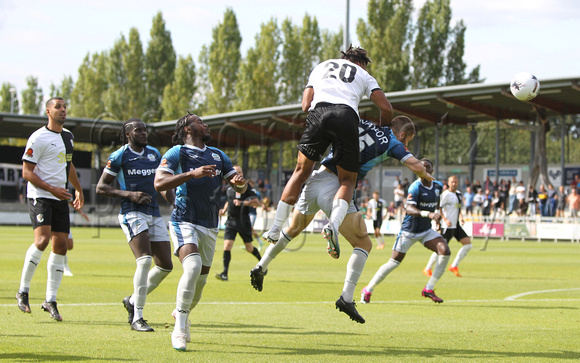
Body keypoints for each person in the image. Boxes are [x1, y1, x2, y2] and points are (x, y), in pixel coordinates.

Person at [249, 116, 432, 324]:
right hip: (338, 189)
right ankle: (346, 297)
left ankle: (261, 266)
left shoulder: (362, 122)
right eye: (407, 140)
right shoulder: (393, 142)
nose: (405, 144)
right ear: (401, 135)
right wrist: (426, 175)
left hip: (317, 179)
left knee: (292, 229)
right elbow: (415, 165)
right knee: (363, 243)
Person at [261, 45, 394, 261]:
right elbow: (386, 108)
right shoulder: (363, 74)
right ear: (361, 62)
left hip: (318, 113)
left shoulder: (321, 66)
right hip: (345, 115)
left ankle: (275, 228)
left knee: (300, 171)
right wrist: (383, 129)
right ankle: (333, 225)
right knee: (347, 180)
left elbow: (306, 104)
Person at [154, 112, 247, 351]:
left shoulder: (218, 155)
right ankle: (180, 329)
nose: (204, 124)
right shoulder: (177, 153)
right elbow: (159, 184)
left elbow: (239, 185)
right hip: (184, 219)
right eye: (198, 121)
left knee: (201, 284)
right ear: (187, 129)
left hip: (210, 225)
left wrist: (240, 183)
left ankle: (180, 312)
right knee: (192, 267)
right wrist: (190, 174)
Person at [95, 118, 173, 332]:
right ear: (128, 134)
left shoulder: (154, 154)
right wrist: (129, 194)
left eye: (145, 130)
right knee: (145, 260)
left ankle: (131, 301)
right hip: (131, 213)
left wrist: (174, 200)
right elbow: (101, 187)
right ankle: (137, 317)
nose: (143, 133)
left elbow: (161, 184)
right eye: (138, 130)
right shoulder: (119, 156)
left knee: (166, 265)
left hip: (155, 213)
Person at [16, 97, 84, 321]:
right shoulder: (38, 137)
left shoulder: (68, 137)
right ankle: (23, 291)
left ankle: (50, 300)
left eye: (65, 107)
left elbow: (69, 164)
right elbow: (27, 172)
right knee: (42, 240)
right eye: (58, 107)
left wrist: (77, 190)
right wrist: (51, 189)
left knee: (62, 245)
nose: (63, 110)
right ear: (48, 111)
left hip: (59, 197)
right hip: (40, 195)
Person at [361, 159, 449, 305]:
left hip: (426, 230)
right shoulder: (415, 187)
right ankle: (368, 289)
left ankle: (429, 289)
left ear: (432, 170)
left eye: (428, 167)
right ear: (417, 170)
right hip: (409, 231)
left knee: (444, 251)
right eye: (422, 167)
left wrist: (437, 220)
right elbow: (409, 209)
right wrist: (429, 214)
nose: (425, 169)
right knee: (394, 262)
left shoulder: (438, 186)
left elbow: (436, 204)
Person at [215, 166, 262, 281]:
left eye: (239, 172)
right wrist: (224, 210)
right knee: (227, 246)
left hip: (243, 221)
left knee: (249, 248)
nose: (237, 174)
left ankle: (263, 265)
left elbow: (256, 202)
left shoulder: (247, 187)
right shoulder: (228, 186)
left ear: (242, 173)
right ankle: (224, 274)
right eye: (235, 172)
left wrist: (243, 203)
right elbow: (228, 201)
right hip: (231, 221)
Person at [422, 175, 472, 278]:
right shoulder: (445, 195)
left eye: (456, 182)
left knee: (468, 245)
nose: (454, 184)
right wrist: (444, 219)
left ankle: (454, 266)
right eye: (452, 182)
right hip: (446, 227)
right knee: (440, 249)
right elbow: (439, 208)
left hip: (456, 225)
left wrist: (461, 217)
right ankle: (427, 268)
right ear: (448, 183)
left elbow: (458, 208)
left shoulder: (458, 194)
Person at [64, 205, 90, 277]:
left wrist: (81, 212)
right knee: (61, 245)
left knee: (70, 246)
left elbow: (70, 200)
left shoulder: (66, 194)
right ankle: (65, 267)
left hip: (63, 218)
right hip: (53, 217)